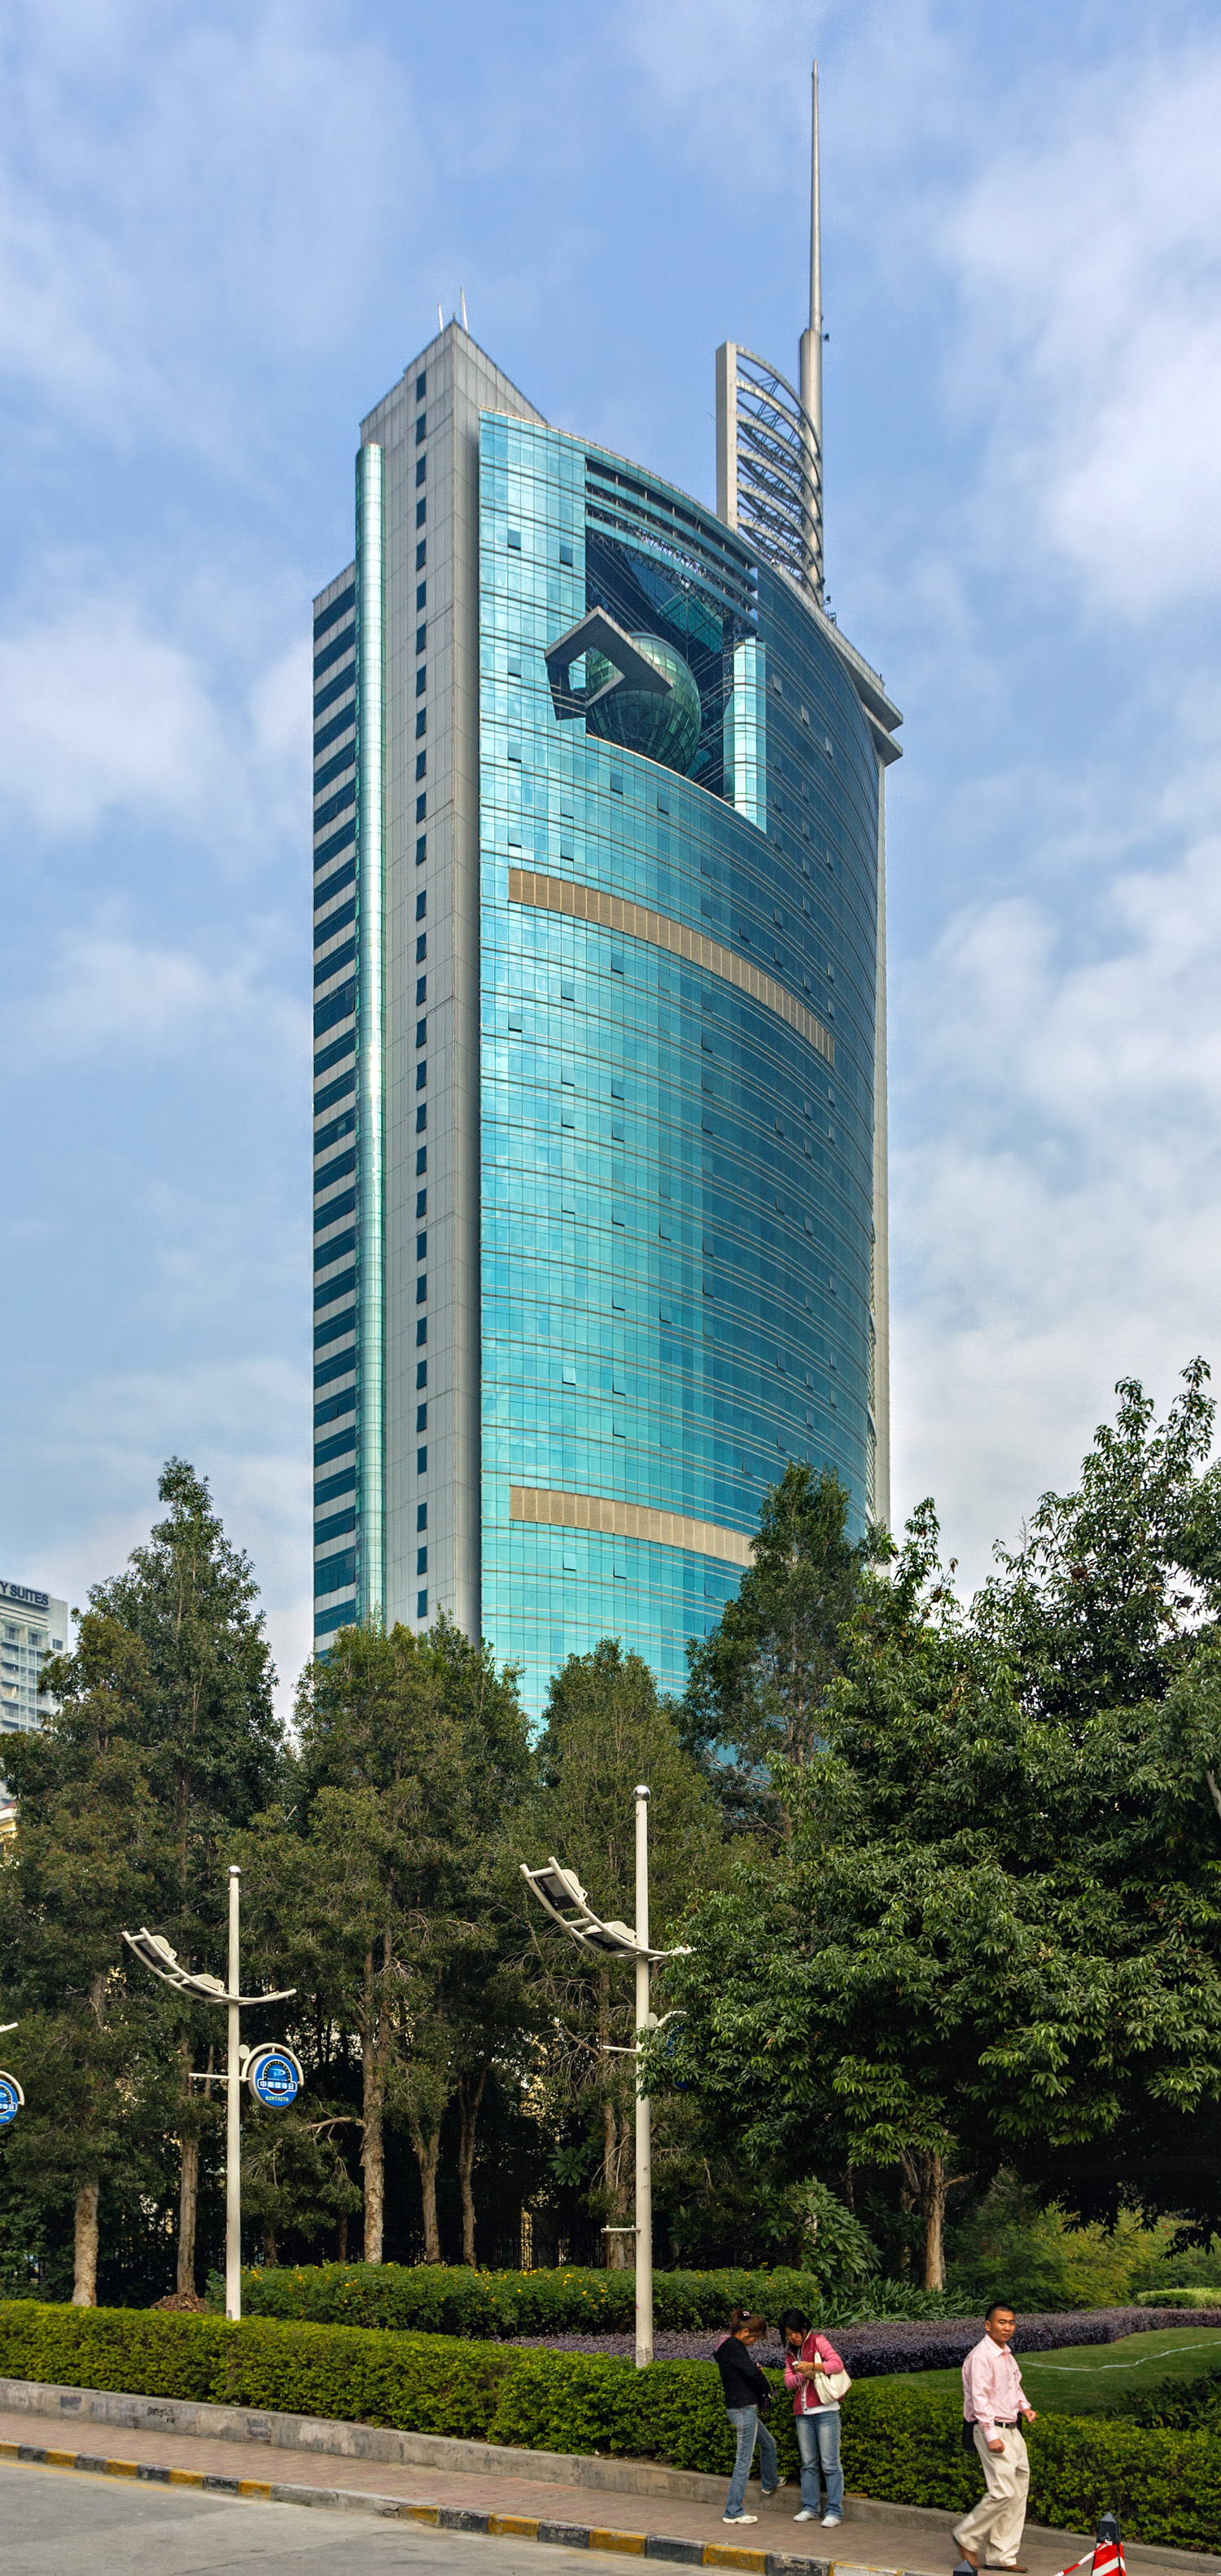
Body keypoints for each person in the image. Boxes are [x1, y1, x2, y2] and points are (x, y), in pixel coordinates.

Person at [952, 2302, 1037, 2573]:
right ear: (988, 2325)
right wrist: (990, 2436)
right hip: (992, 2431)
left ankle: (1002, 2555)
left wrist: (1025, 2407)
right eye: (1002, 2322)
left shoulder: (1007, 2355)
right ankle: (966, 2536)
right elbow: (979, 2399)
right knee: (1003, 2491)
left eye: (1011, 2322)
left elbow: (1015, 2387)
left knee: (1018, 2490)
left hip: (1013, 2430)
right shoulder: (981, 2356)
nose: (1008, 2327)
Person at [714, 2307, 786, 2525]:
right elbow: (752, 2374)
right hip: (744, 2408)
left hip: (739, 2408)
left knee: (768, 2443)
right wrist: (766, 2387)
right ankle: (733, 2511)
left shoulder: (726, 2346)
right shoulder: (735, 2347)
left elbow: (741, 2372)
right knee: (743, 2461)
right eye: (755, 2338)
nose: (754, 2342)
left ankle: (770, 2482)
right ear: (745, 2333)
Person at [777, 2307, 847, 2528]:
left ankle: (834, 2511)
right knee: (808, 2463)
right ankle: (810, 2507)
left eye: (795, 2332)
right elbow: (788, 2381)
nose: (793, 2337)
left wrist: (814, 2367)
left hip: (826, 2410)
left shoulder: (818, 2341)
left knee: (830, 2463)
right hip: (803, 2413)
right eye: (788, 2334)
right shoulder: (790, 2353)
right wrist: (800, 2375)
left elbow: (837, 2364)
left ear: (804, 2327)